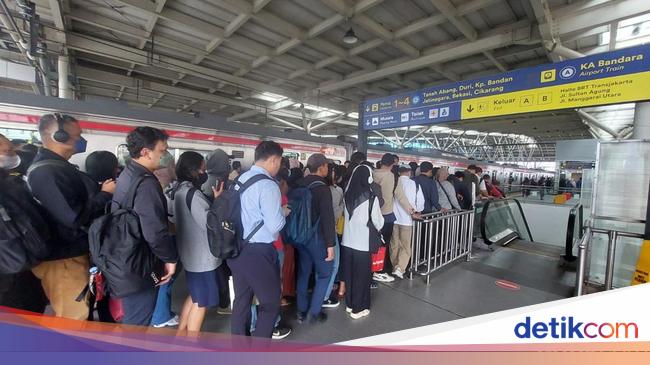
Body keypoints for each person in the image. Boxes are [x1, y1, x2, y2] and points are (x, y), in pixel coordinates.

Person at [26, 114, 115, 320]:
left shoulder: (58, 168)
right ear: (60, 135)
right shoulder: (47, 173)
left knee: (81, 311)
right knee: (73, 317)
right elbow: (74, 218)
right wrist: (104, 195)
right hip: (62, 258)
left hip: (69, 254)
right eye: (78, 135)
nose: (81, 139)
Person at [111, 127, 178, 325]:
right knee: (138, 321)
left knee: (133, 317)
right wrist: (170, 259)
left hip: (125, 255)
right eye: (162, 151)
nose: (165, 156)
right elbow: (155, 232)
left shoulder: (127, 174)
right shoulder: (147, 183)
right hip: (140, 262)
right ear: (145, 152)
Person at [229, 141, 290, 338]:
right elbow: (274, 225)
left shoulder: (240, 180)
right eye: (279, 161)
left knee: (242, 301)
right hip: (259, 253)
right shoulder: (268, 185)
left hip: (237, 248)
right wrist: (283, 213)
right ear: (273, 159)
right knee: (271, 304)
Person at [171, 151, 222, 333]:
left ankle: (180, 334)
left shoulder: (177, 190)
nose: (204, 172)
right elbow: (209, 222)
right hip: (201, 258)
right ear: (193, 170)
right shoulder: (194, 195)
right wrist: (217, 202)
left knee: (194, 296)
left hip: (189, 253)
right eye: (202, 169)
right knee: (202, 303)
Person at [0, 134, 48, 314]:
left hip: (21, 267)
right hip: (12, 271)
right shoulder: (8, 187)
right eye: (8, 150)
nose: (13, 153)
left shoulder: (10, 182)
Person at [295, 154, 335, 324]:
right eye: (327, 166)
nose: (328, 169)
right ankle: (315, 311)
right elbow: (327, 219)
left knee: (304, 273)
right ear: (321, 167)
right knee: (325, 273)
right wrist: (330, 245)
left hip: (300, 237)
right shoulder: (322, 188)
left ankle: (301, 310)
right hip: (317, 239)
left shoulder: (298, 184)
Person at [341, 164, 384, 319]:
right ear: (369, 177)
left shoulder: (346, 193)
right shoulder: (371, 197)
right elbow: (378, 222)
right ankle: (358, 309)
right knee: (362, 277)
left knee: (350, 275)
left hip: (347, 242)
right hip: (362, 243)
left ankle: (350, 304)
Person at [372, 153, 415, 282]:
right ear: (392, 164)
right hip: (386, 215)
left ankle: (372, 270)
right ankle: (381, 270)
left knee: (373, 244)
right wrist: (411, 211)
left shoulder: (373, 173)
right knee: (383, 244)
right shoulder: (391, 176)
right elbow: (400, 197)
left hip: (371, 215)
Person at [200, 149, 233, 315]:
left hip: (209, 232)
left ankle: (223, 300)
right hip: (222, 231)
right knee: (223, 268)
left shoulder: (204, 181)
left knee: (219, 268)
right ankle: (224, 302)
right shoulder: (222, 182)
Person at [391, 165, 424, 279]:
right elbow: (420, 203)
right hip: (407, 219)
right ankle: (400, 268)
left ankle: (394, 266)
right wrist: (417, 211)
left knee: (394, 244)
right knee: (405, 246)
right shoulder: (414, 184)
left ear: (399, 172)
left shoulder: (394, 181)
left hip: (393, 219)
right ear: (410, 172)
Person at [323, 163, 344, 308]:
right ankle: (325, 295)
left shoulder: (315, 187)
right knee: (334, 264)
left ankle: (321, 292)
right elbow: (337, 213)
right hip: (331, 230)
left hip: (316, 232)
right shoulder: (336, 191)